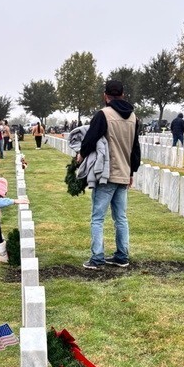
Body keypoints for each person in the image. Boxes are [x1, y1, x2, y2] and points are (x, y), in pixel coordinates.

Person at [76, 78, 141, 269]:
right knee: (120, 217)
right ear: (122, 95)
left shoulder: (103, 114)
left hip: (106, 174)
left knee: (97, 217)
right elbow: (135, 148)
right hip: (124, 172)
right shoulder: (133, 118)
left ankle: (97, 258)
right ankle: (122, 256)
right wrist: (131, 172)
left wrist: (81, 155)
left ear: (106, 96)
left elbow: (90, 139)